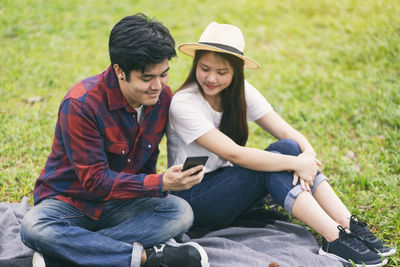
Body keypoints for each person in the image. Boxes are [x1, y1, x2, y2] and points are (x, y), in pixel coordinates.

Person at [166, 22, 396, 267]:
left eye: (221, 72)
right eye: (204, 68)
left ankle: (349, 224)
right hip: (193, 198)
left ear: (235, 73)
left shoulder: (239, 90)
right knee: (273, 165)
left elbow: (286, 130)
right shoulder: (184, 104)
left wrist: (307, 156)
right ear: (195, 66)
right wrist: (296, 162)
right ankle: (334, 237)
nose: (211, 78)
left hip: (224, 185)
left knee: (288, 146)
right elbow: (235, 154)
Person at [20, 13, 210, 267]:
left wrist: (166, 183)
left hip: (121, 204)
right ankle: (144, 257)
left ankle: (68, 254)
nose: (158, 85)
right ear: (120, 71)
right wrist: (162, 182)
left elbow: (145, 168)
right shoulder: (81, 104)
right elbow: (95, 182)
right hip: (69, 203)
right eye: (147, 78)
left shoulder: (162, 98)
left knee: (180, 213)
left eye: (164, 74)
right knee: (34, 227)